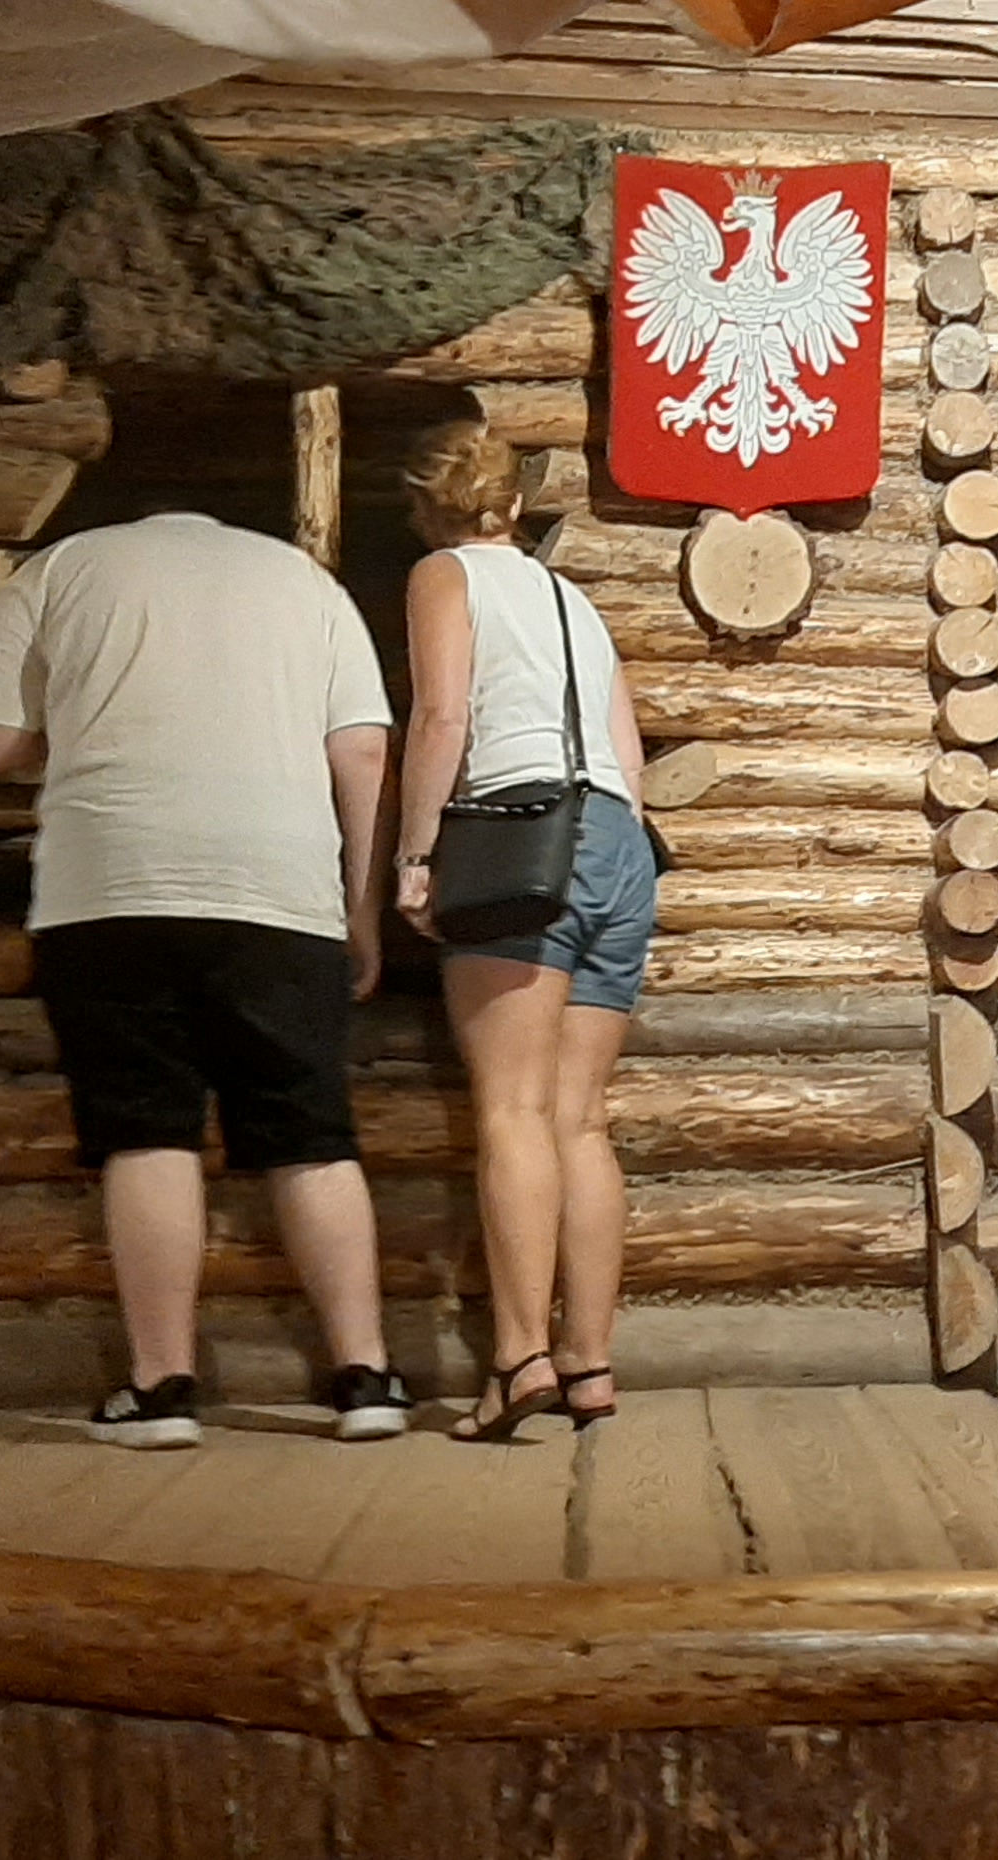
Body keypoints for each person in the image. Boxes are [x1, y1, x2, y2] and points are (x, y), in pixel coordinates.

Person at [0, 508, 408, 1450]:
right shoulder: (304, 581)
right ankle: (365, 1379)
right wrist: (362, 912)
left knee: (146, 1131)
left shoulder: (57, 570)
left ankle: (161, 1392)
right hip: (278, 889)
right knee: (310, 1135)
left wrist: (75, 720)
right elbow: (363, 752)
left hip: (111, 885)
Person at [385, 421, 658, 1441]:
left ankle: (517, 1358)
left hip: (520, 834)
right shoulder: (572, 600)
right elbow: (628, 754)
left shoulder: (443, 576)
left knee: (510, 1110)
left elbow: (442, 719)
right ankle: (589, 1361)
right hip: (617, 842)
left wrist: (416, 855)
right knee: (579, 1119)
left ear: (428, 508)